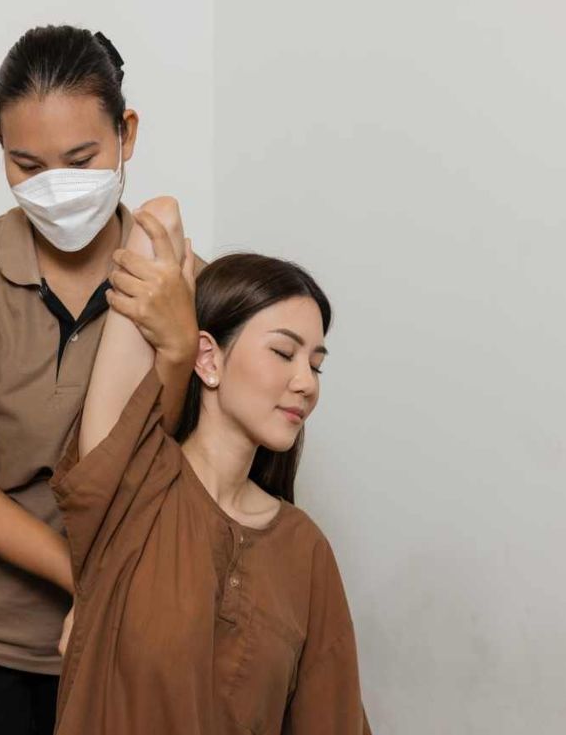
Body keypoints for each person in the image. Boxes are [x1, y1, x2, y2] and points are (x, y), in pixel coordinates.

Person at [0, 25, 203, 734]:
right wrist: (89, 579)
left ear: (127, 133)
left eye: (81, 160)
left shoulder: (184, 283)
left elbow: (180, 465)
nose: (57, 187)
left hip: (122, 636)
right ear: (0, 149)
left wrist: (179, 347)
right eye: (27, 164)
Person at [50, 203, 371, 734]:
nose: (306, 383)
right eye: (283, 353)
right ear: (209, 359)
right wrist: (181, 337)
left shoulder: (305, 550)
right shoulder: (133, 486)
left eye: (316, 365)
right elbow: (155, 223)